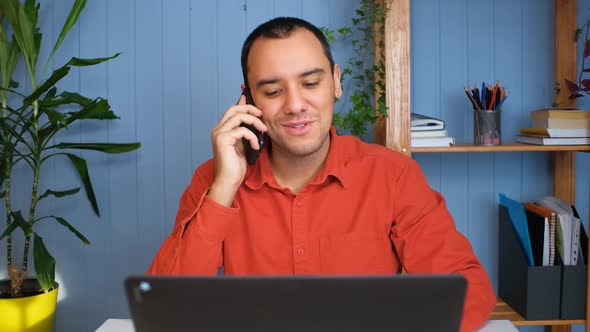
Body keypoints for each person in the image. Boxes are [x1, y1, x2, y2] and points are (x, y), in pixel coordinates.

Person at [148, 17, 496, 332]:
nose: (295, 104)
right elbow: (162, 308)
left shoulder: (393, 175)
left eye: (311, 83)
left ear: (336, 82)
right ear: (248, 101)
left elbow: (467, 291)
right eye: (272, 91)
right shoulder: (214, 179)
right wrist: (224, 188)